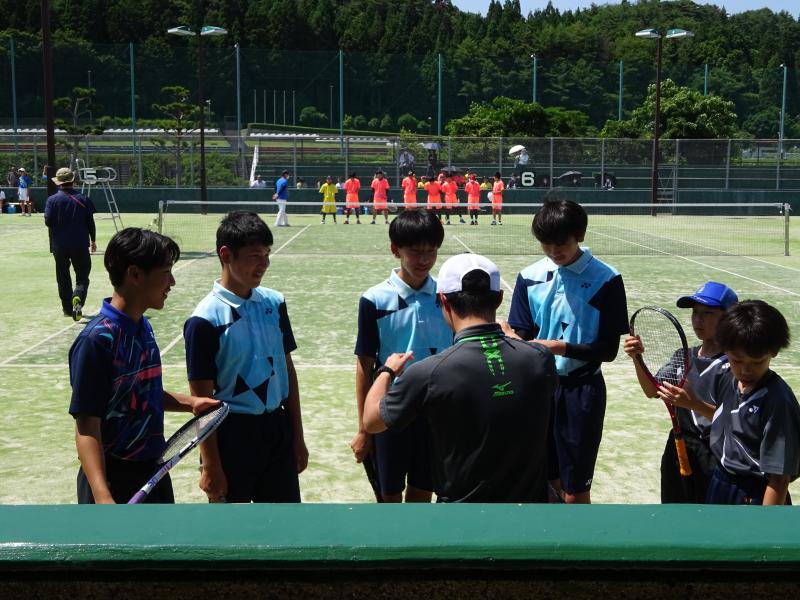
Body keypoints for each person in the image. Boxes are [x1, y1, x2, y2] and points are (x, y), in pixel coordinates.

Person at [363, 253, 558, 503]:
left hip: (461, 516)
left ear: (443, 300)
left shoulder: (428, 372)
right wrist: (516, 340)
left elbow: (372, 421)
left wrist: (386, 371)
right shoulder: (540, 359)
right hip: (528, 511)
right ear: (499, 298)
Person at [68, 228, 218, 504]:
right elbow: (87, 425)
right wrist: (103, 497)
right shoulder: (97, 341)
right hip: (111, 480)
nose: (172, 282)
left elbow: (138, 394)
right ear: (135, 274)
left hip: (153, 472)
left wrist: (191, 403)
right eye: (166, 272)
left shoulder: (143, 327)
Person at [504, 198, 629, 504]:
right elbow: (522, 332)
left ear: (580, 235)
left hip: (581, 391)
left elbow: (608, 350)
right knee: (543, 477)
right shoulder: (529, 276)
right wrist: (509, 338)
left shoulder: (607, 280)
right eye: (545, 243)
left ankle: (575, 535)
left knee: (575, 488)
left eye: (561, 243)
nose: (553, 251)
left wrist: (559, 347)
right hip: (538, 388)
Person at [184, 211, 308, 503]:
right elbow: (201, 400)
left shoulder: (274, 302)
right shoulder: (204, 320)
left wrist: (297, 436)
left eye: (266, 255)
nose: (264, 264)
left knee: (284, 522)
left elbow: (286, 369)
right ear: (226, 254)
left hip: (276, 430)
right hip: (231, 435)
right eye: (255, 256)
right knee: (233, 527)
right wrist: (211, 464)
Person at [351, 210, 450, 503]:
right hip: (390, 411)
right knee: (389, 496)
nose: (424, 260)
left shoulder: (447, 296)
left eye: (431, 251)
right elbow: (364, 365)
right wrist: (364, 429)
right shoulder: (374, 300)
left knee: (422, 491)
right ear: (395, 250)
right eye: (415, 252)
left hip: (434, 412)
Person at [661, 300, 800, 506]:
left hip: (755, 492)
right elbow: (724, 419)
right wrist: (694, 403)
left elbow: (779, 479)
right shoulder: (730, 380)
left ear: (774, 352)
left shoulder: (778, 401)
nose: (746, 370)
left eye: (757, 362)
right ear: (724, 350)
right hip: (720, 482)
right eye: (737, 360)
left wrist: (766, 523)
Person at [624, 281, 738, 503]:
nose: (698, 319)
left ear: (729, 318)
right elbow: (652, 390)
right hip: (679, 447)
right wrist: (637, 358)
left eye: (708, 313)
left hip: (717, 453)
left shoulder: (734, 364)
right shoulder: (683, 356)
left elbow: (733, 420)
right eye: (695, 312)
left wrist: (693, 404)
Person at [44, 167, 98, 320]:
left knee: (62, 275)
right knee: (82, 275)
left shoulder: (52, 200)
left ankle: (67, 309)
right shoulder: (83, 199)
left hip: (59, 245)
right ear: (73, 181)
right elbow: (90, 222)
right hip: (80, 244)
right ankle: (78, 296)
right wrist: (93, 240)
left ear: (59, 182)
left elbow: (48, 221)